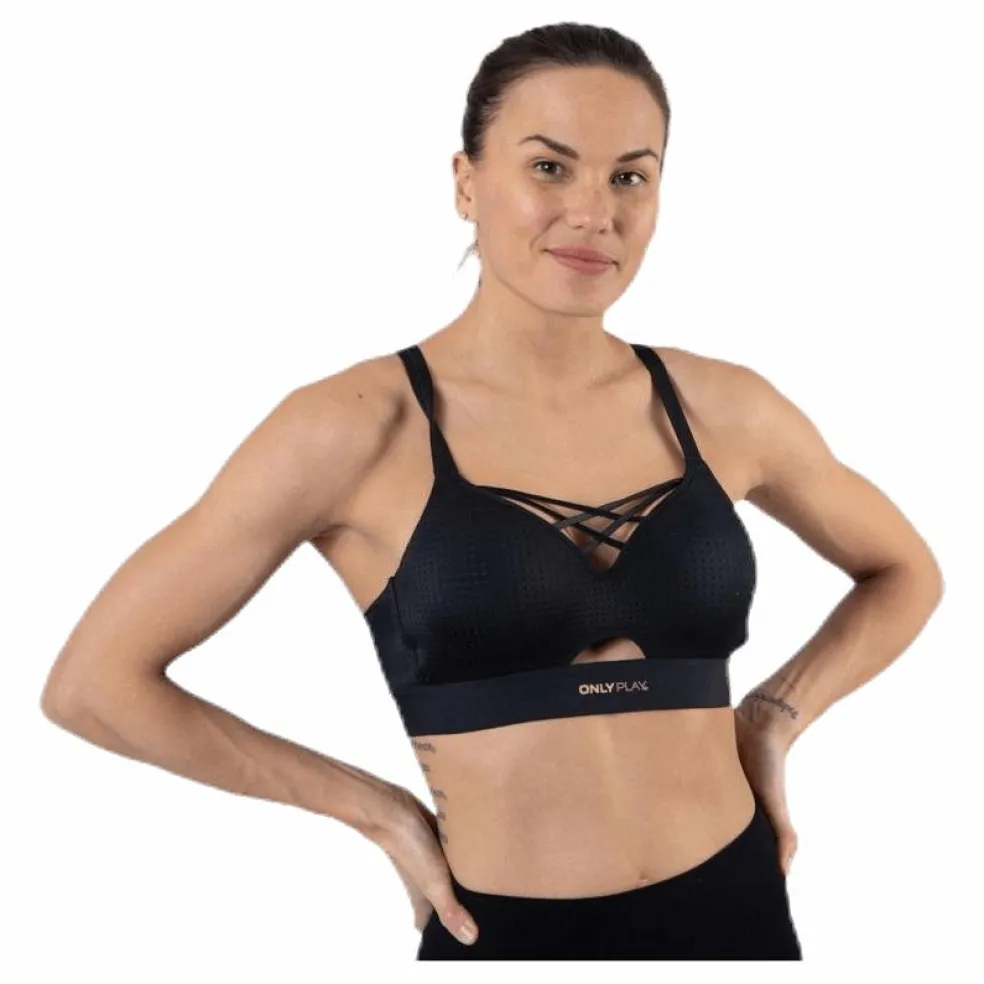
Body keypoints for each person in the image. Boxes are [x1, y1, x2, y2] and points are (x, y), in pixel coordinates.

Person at [40, 21, 944, 961]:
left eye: (630, 176)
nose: (594, 212)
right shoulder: (355, 427)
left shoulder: (726, 407)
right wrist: (376, 810)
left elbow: (904, 571)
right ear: (466, 183)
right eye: (550, 168)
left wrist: (775, 716)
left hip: (736, 910)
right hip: (506, 936)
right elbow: (95, 685)